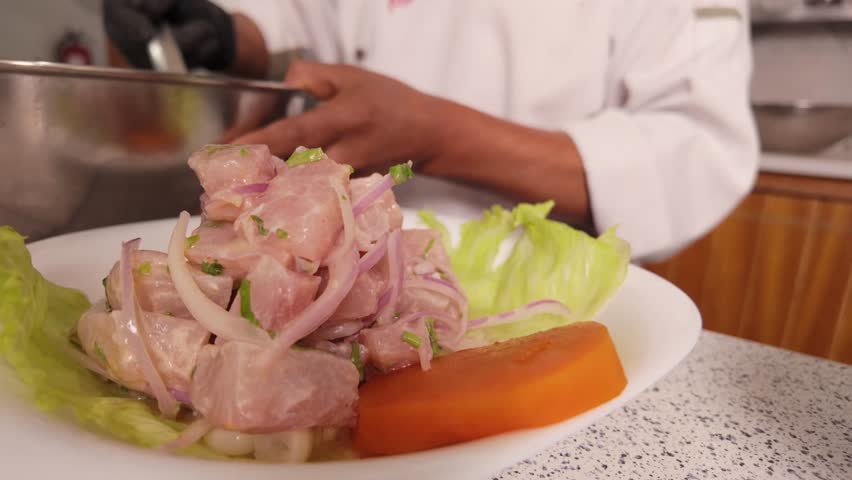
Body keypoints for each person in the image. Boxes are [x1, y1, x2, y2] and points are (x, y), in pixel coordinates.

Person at [103, 0, 759, 260]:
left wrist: (434, 135)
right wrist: (216, 31)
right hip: (342, 273)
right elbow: (290, 23)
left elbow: (698, 149)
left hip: (538, 293)